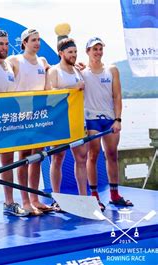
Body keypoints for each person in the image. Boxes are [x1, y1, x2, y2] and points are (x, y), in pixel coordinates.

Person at [0, 28, 29, 217]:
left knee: (8, 161)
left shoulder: (9, 65)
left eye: (7, 44)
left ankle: (9, 203)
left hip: (6, 121)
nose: (4, 47)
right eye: (0, 44)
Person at [82, 37, 133, 210]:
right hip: (91, 119)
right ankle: (94, 196)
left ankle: (114, 194)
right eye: (94, 49)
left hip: (110, 119)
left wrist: (118, 119)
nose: (97, 52)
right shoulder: (82, 71)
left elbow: (117, 96)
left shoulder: (112, 70)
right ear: (87, 51)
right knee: (93, 155)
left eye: (100, 49)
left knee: (112, 154)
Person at [8, 28, 53, 216]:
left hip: (39, 116)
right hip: (20, 116)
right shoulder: (15, 60)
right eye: (33, 40)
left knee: (37, 158)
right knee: (23, 157)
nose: (37, 43)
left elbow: (56, 74)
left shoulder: (43, 61)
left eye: (39, 39)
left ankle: (35, 198)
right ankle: (25, 200)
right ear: (24, 42)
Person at [46, 27, 88, 211]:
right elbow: (49, 94)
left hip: (78, 121)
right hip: (59, 122)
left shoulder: (78, 71)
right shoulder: (55, 71)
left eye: (75, 52)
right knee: (58, 158)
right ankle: (57, 197)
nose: (74, 55)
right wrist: (73, 90)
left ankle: (83, 197)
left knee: (81, 158)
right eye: (70, 52)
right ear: (61, 53)